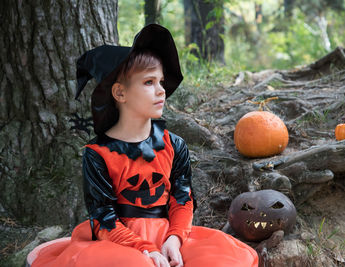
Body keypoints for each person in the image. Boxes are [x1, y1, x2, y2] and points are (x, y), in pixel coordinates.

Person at [29, 23, 258, 267]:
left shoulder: (174, 144)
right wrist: (144, 248)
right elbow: (104, 218)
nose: (161, 91)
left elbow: (182, 198)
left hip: (168, 235)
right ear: (120, 93)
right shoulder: (98, 155)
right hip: (117, 242)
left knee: (223, 260)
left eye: (161, 81)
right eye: (149, 82)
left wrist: (175, 238)